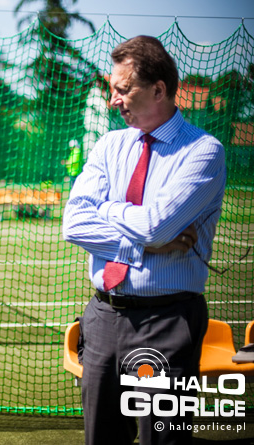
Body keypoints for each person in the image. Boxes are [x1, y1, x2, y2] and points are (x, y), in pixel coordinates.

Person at [62, 36, 226, 445]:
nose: (113, 101)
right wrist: (141, 243)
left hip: (167, 321)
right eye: (112, 89)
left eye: (123, 89)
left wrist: (107, 209)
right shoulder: (109, 144)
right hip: (102, 317)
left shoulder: (204, 151)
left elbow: (157, 226)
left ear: (158, 90)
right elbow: (74, 223)